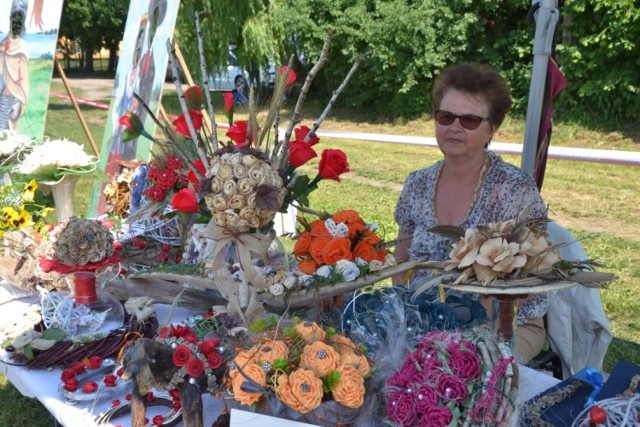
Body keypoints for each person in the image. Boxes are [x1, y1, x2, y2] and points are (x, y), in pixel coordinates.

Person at [393, 62, 548, 362]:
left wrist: (467, 333)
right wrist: (404, 315)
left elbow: (534, 284)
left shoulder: (516, 190)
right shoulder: (417, 183)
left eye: (470, 120)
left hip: (503, 326)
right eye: (446, 116)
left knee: (466, 383)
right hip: (423, 319)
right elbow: (401, 260)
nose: (454, 127)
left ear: (493, 128)